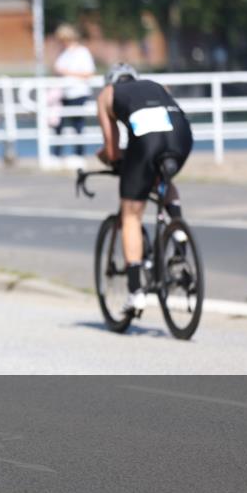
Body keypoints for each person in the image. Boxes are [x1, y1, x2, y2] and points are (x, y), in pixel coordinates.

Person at [95, 63, 193, 317]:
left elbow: (113, 150)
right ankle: (178, 231)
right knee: (162, 178)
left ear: (111, 82)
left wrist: (105, 157)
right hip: (182, 137)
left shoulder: (107, 94)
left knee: (130, 215)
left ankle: (136, 292)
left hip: (147, 143)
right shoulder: (155, 86)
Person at [52, 24, 96, 163]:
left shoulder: (82, 52)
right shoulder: (63, 53)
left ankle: (79, 153)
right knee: (58, 124)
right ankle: (57, 154)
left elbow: (89, 73)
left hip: (78, 93)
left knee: (78, 124)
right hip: (63, 93)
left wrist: (66, 72)